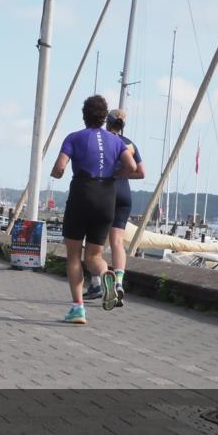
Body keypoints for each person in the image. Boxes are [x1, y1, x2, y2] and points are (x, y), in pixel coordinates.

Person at [50, 95, 137, 324]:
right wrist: (114, 174)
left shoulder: (74, 137)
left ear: (84, 115)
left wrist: (56, 173)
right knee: (94, 256)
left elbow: (60, 167)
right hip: (107, 196)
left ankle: (78, 309)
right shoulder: (116, 141)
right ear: (103, 116)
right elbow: (132, 166)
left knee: (74, 256)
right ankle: (106, 273)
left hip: (82, 193)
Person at [84, 109, 145, 306]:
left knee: (95, 243)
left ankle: (95, 283)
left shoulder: (102, 141)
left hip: (106, 193)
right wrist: (122, 173)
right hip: (125, 194)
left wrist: (111, 174)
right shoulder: (130, 144)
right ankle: (119, 283)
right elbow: (141, 172)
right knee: (117, 242)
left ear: (107, 123)